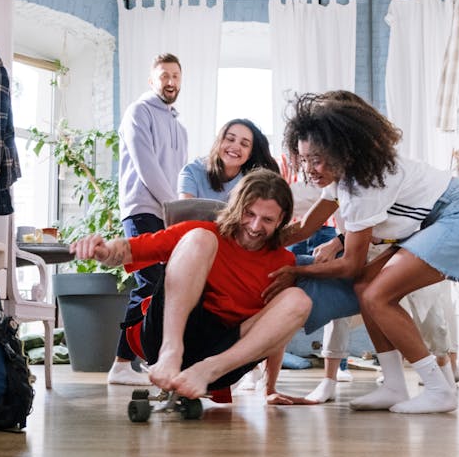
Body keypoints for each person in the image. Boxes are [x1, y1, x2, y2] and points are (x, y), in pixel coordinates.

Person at [270, 91, 459, 414]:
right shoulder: (343, 176)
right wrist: (256, 241)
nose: (310, 168)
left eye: (317, 159)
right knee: (365, 288)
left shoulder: (365, 183)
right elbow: (306, 227)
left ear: (341, 151)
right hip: (438, 220)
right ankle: (393, 385)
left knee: (377, 294)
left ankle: (439, 389)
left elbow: (349, 264)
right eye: (304, 159)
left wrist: (297, 270)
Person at [72, 169, 320, 403]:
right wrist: (104, 252)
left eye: (267, 220)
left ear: (281, 221)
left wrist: (269, 389)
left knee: (298, 300)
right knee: (200, 238)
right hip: (167, 337)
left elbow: (275, 328)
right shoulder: (203, 232)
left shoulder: (282, 262)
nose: (255, 227)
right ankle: (172, 351)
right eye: (249, 214)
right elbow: (126, 250)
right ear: (237, 208)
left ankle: (206, 370)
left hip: (223, 356)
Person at [109, 52, 187, 387]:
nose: (170, 82)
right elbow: (145, 167)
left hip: (169, 216)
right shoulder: (138, 112)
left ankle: (149, 360)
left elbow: (180, 174)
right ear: (151, 80)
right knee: (149, 284)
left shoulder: (179, 126)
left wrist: (181, 212)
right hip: (142, 210)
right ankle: (122, 364)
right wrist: (173, 208)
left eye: (175, 76)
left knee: (165, 287)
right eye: (164, 75)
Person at [178, 118, 278, 200]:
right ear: (219, 142)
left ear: (250, 154)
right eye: (230, 139)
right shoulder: (191, 172)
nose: (235, 147)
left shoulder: (251, 183)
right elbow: (185, 215)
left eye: (244, 144)